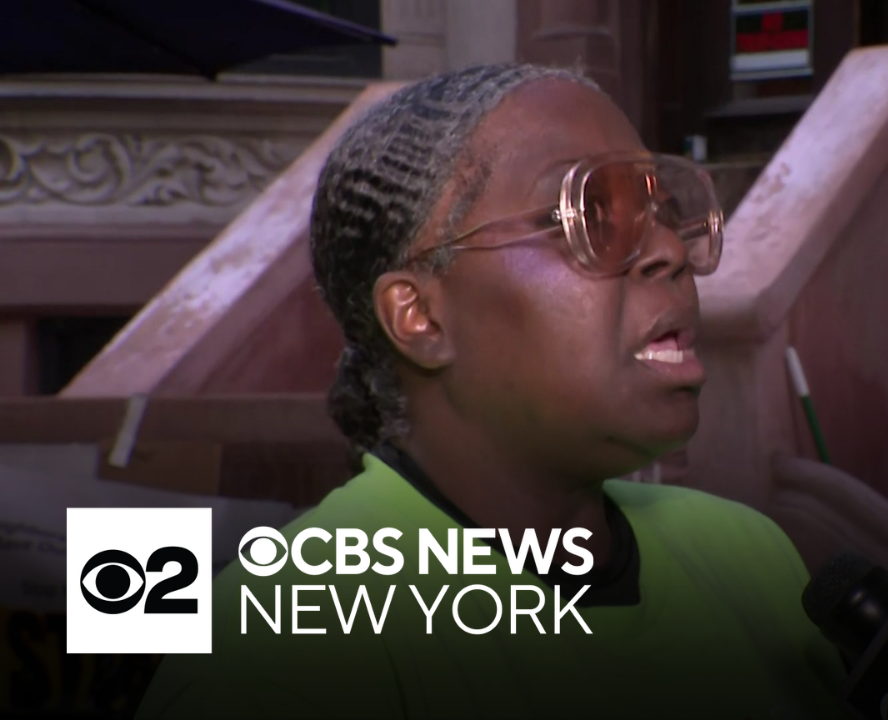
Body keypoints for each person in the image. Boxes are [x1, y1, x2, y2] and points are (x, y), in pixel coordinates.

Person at [136, 63, 845, 719]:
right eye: (589, 215)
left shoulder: (749, 557)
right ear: (420, 317)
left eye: (659, 209)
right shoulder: (284, 645)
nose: (667, 250)